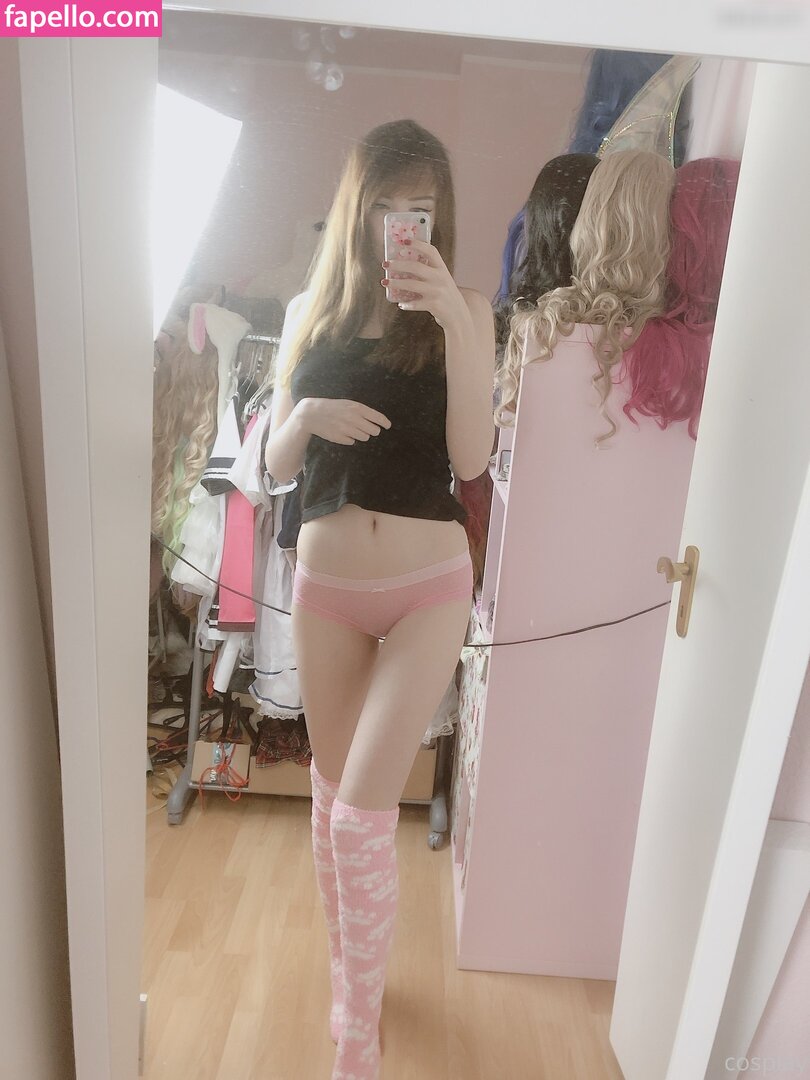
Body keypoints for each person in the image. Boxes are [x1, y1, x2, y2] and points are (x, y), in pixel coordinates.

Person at [264, 119, 496, 1080]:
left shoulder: (466, 311)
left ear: (441, 217)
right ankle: (351, 976)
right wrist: (308, 415)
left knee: (361, 816)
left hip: (426, 588)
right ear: (359, 212)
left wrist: (455, 324)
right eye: (389, 207)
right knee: (329, 805)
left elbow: (473, 459)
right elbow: (275, 467)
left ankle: (355, 1042)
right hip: (327, 591)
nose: (404, 225)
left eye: (423, 209)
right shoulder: (308, 313)